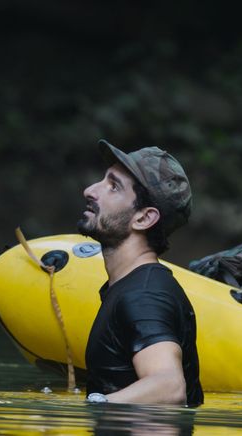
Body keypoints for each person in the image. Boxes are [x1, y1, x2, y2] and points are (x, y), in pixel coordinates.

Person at [77, 139, 203, 407]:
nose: (90, 190)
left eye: (113, 187)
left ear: (144, 218)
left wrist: (92, 407)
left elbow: (169, 387)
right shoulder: (130, 287)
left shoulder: (143, 296)